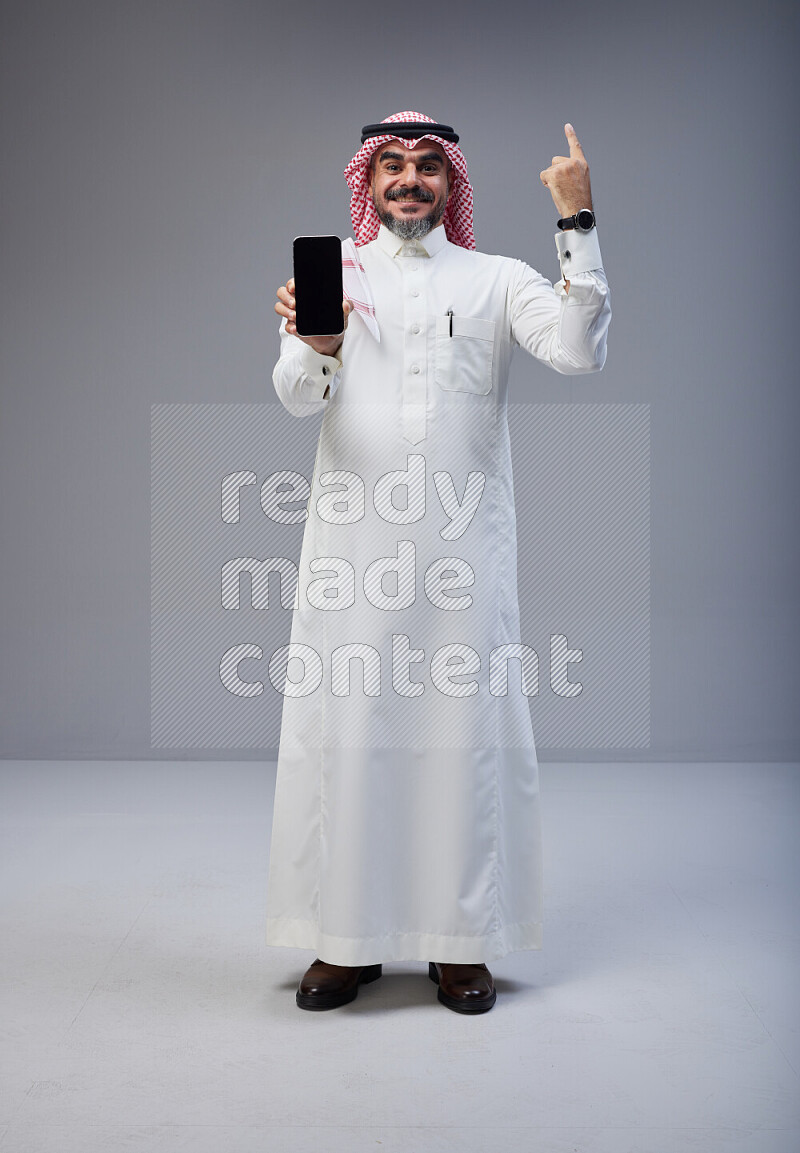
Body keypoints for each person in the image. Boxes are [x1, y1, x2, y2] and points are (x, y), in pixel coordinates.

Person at [268, 111, 611, 1014]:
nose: (410, 180)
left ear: (451, 184)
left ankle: (460, 944)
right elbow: (296, 400)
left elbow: (577, 353)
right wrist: (318, 348)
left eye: (428, 167)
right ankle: (346, 943)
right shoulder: (333, 275)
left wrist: (577, 223)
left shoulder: (496, 278)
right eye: (393, 167)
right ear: (368, 183)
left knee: (463, 743)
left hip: (464, 557)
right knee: (354, 738)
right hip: (354, 555)